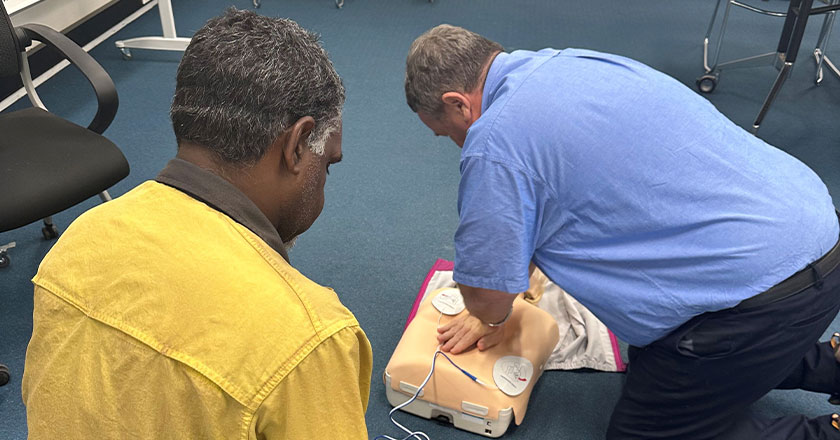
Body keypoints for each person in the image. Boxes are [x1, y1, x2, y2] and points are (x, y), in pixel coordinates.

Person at [405, 24, 840, 439]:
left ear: (459, 103)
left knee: (647, 432)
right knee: (678, 354)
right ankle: (831, 363)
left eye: (447, 133)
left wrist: (489, 313)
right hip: (818, 231)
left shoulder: (493, 143)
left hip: (757, 299)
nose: (458, 143)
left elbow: (486, 296)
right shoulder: (575, 61)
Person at [22, 9, 371, 439]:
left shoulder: (79, 242)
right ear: (298, 145)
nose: (325, 183)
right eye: (328, 164)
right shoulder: (308, 337)